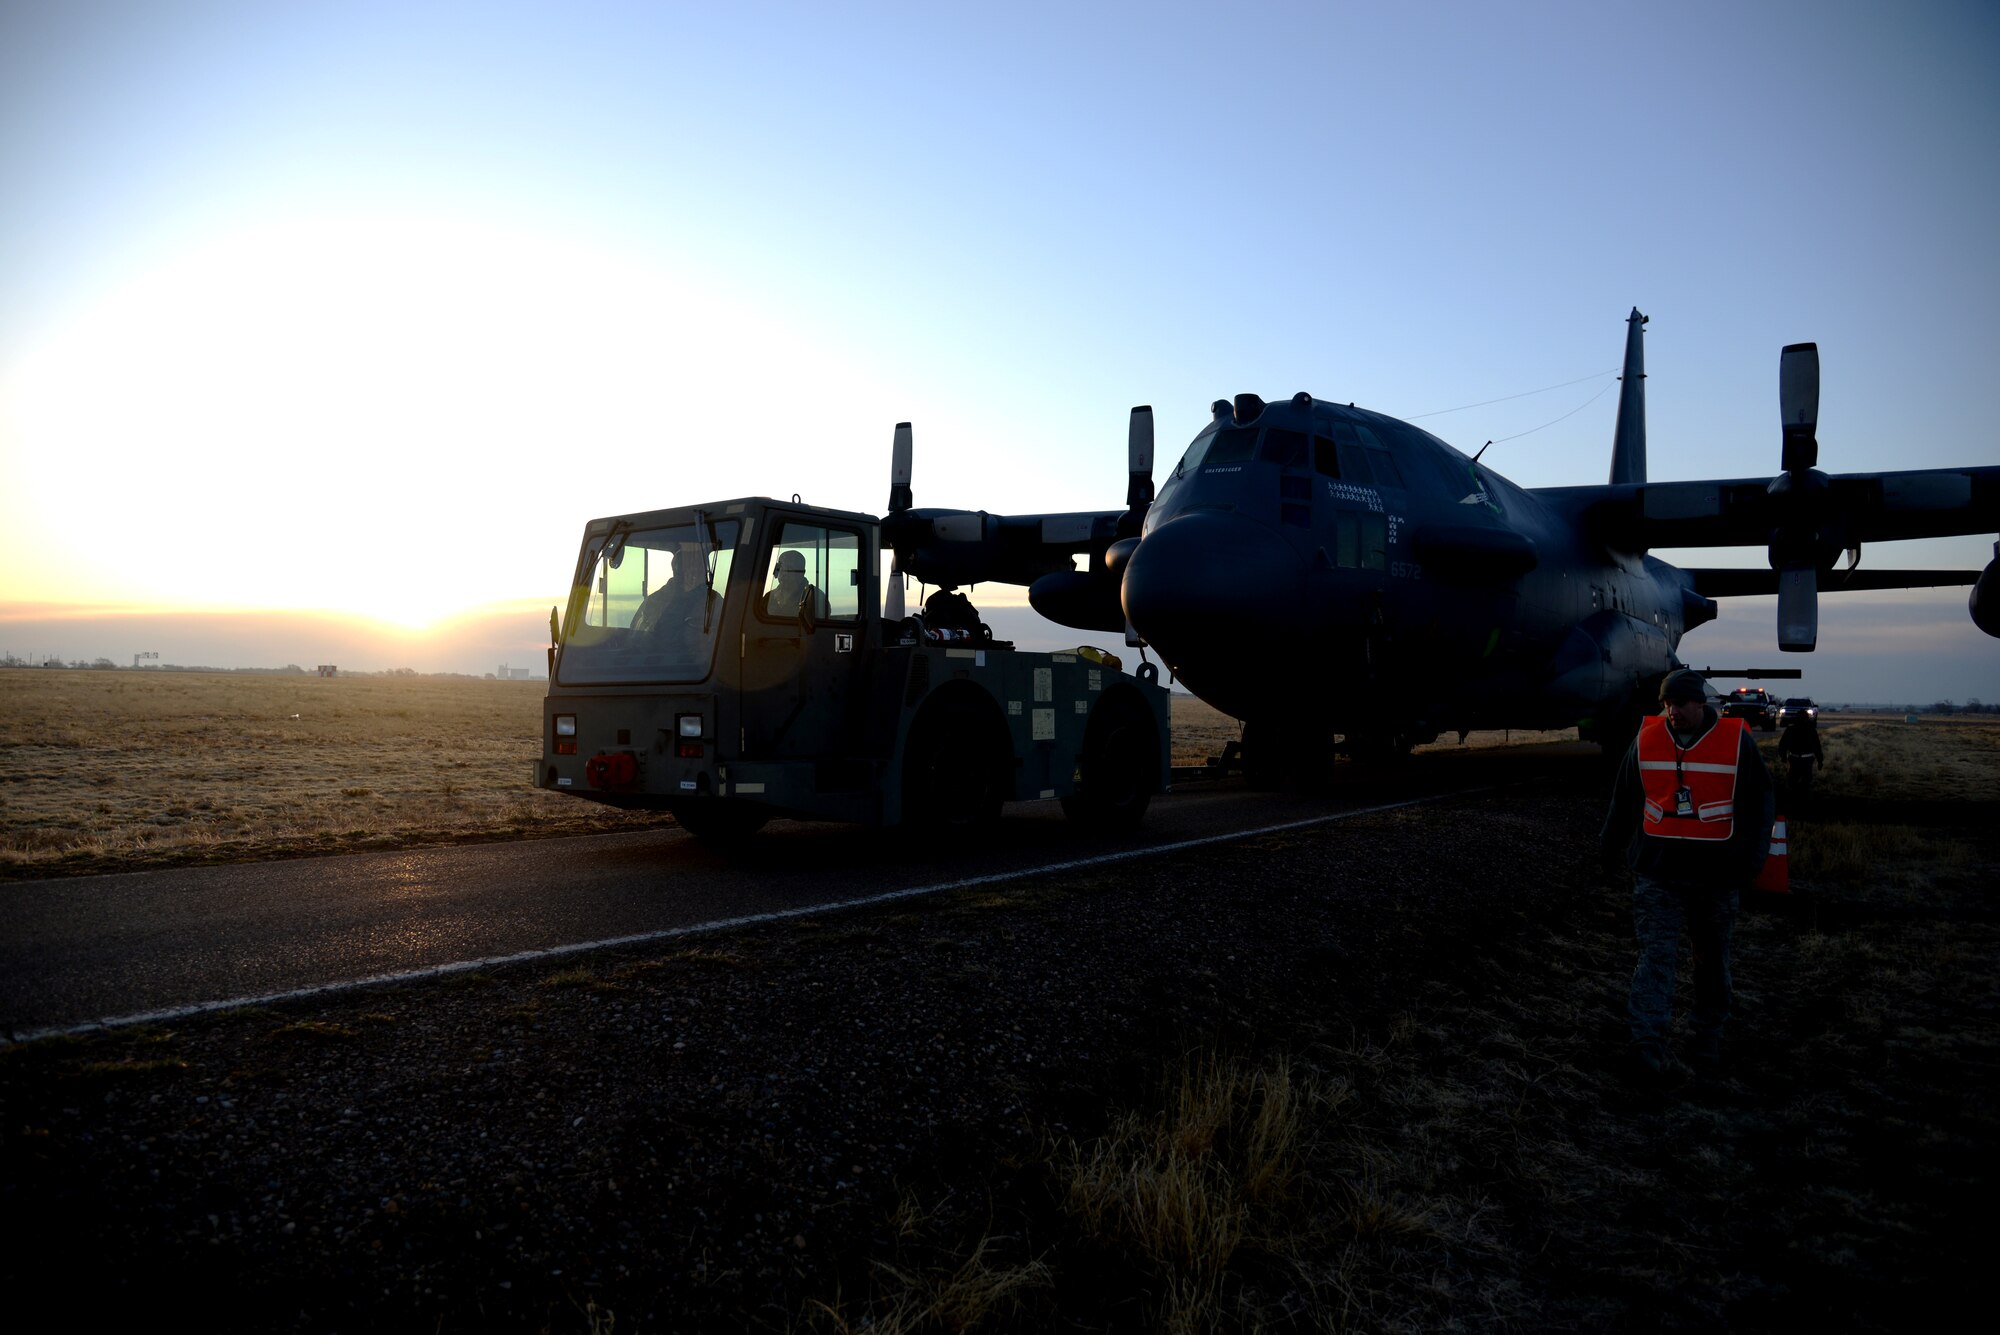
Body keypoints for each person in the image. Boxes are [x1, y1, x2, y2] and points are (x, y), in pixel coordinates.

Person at [1600, 669, 1775, 1084]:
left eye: (1679, 703)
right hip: (1658, 874)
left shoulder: (1736, 743)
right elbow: (1625, 796)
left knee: (1711, 961)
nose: (1672, 711)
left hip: (1716, 878)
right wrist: (1610, 846)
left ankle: (1706, 1037)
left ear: (1701, 703)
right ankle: (1646, 1044)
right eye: (1666, 704)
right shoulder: (1647, 738)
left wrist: (1751, 863)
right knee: (1655, 959)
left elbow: (1760, 803)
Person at [631, 541, 719, 637]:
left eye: (698, 564)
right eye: (688, 564)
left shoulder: (715, 601)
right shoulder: (656, 601)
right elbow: (639, 639)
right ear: (676, 568)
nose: (693, 571)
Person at [757, 550, 828, 620]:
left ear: (802, 572)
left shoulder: (816, 597)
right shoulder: (769, 597)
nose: (783, 573)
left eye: (789, 568)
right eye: (781, 568)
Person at [1777, 710, 1825, 805]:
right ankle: (1802, 802)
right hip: (1805, 759)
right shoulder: (1811, 730)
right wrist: (1820, 761)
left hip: (1795, 758)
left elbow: (1782, 745)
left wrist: (1783, 756)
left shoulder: (1791, 730)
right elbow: (1817, 747)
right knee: (1804, 782)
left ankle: (1796, 802)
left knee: (1794, 782)